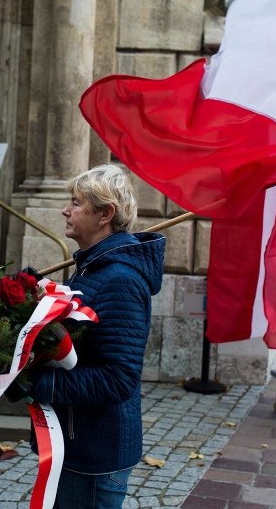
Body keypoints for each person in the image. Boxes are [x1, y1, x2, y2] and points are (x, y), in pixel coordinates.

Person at [23, 164, 166, 509]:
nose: (65, 210)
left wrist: (39, 383)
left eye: (75, 202)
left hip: (94, 454)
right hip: (78, 443)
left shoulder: (120, 280)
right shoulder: (92, 268)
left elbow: (118, 378)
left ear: (105, 214)